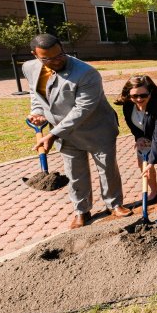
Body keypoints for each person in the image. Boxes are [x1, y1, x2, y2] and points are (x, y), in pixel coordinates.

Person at [22, 34, 131, 229]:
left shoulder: (86, 73)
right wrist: (37, 112)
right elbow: (36, 93)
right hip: (65, 134)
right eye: (49, 59)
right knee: (75, 172)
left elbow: (82, 110)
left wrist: (53, 133)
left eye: (60, 55)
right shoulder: (30, 68)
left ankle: (114, 204)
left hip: (96, 128)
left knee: (107, 169)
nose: (57, 61)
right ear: (35, 55)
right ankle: (81, 210)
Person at [115, 75, 157, 209]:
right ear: (129, 95)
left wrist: (152, 162)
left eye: (143, 95)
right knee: (142, 163)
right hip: (148, 137)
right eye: (134, 96)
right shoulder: (128, 105)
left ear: (150, 93)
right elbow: (131, 123)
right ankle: (154, 191)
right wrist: (138, 137)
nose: (139, 99)